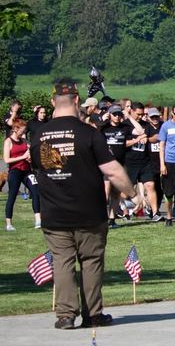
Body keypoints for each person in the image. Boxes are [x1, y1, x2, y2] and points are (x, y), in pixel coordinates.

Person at [31, 79, 136, 330]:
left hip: (54, 212)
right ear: (77, 100)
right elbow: (112, 171)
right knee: (91, 262)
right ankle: (93, 315)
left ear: (53, 101)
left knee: (62, 262)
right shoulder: (89, 133)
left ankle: (66, 315)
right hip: (89, 212)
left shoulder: (37, 136)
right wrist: (131, 193)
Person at [124, 103, 161, 221]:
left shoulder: (146, 125)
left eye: (142, 114)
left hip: (145, 162)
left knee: (150, 185)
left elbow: (155, 137)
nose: (141, 117)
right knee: (126, 191)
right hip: (130, 162)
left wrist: (148, 139)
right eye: (138, 114)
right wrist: (137, 140)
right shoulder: (125, 125)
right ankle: (124, 212)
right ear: (132, 111)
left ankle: (155, 213)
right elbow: (123, 143)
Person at [5, 118, 40, 230]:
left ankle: (38, 220)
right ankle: (9, 224)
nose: (24, 133)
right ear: (15, 129)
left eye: (25, 131)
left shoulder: (25, 141)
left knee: (35, 191)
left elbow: (30, 154)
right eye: (22, 131)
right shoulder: (8, 141)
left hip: (26, 171)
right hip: (15, 171)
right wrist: (22, 157)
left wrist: (30, 158)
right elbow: (6, 160)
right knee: (12, 196)